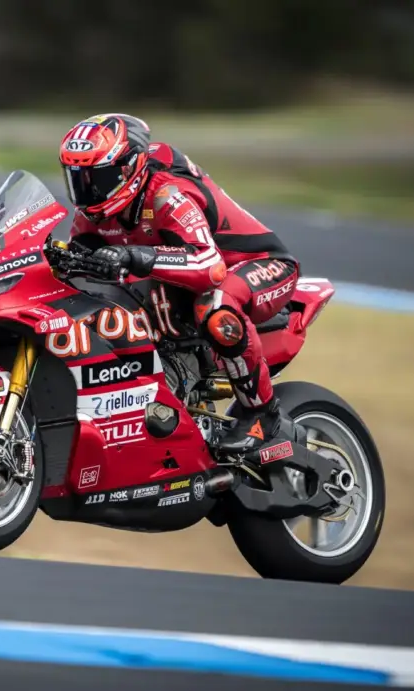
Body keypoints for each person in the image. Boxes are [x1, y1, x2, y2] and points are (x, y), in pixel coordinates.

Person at [58, 113, 299, 453]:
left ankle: (262, 414)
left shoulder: (166, 194)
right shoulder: (94, 210)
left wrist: (134, 257)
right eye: (79, 179)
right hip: (193, 278)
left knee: (216, 308)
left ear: (129, 168)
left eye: (98, 178)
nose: (88, 191)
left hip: (256, 265)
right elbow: (84, 259)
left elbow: (209, 266)